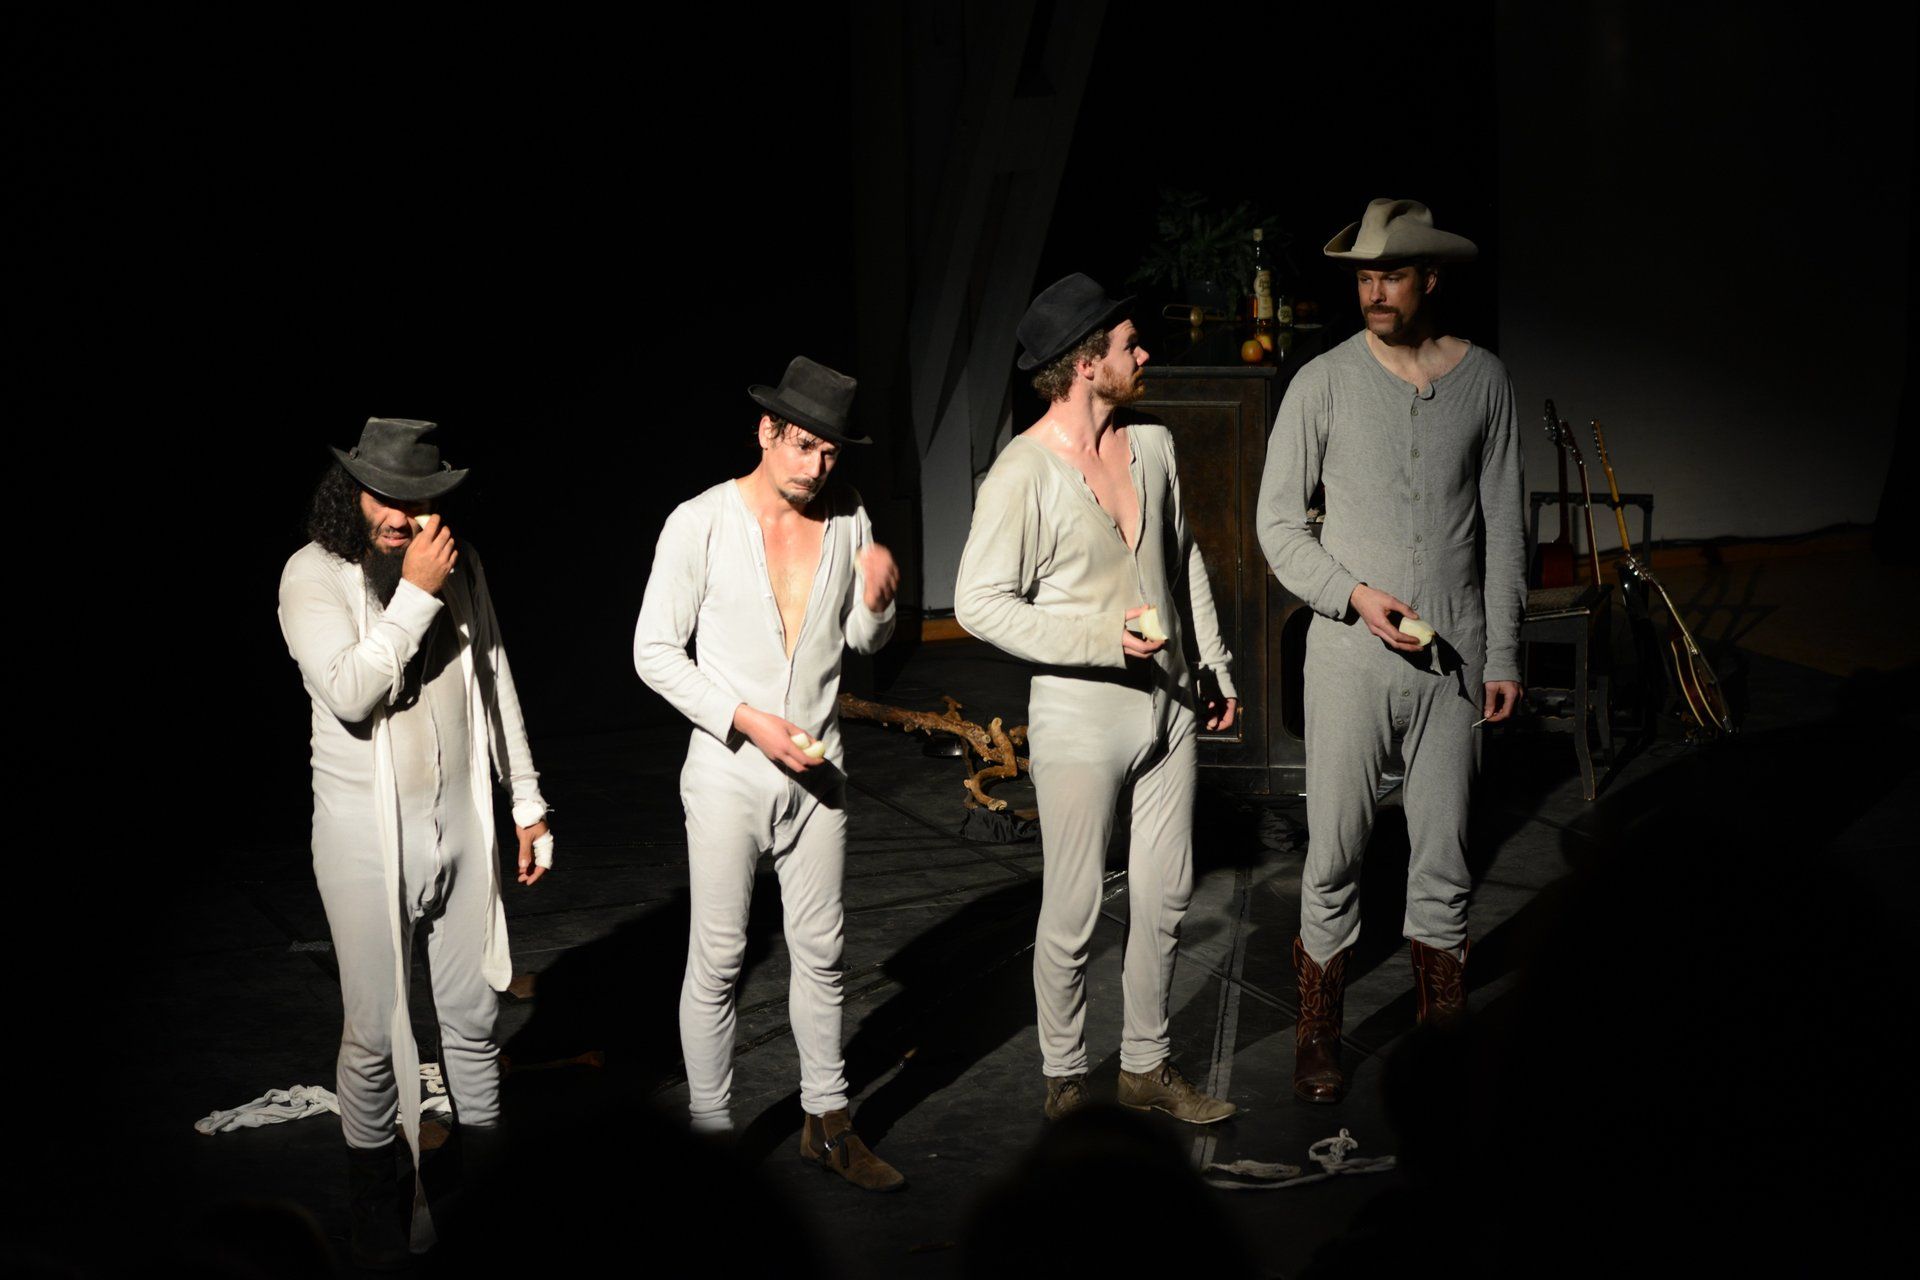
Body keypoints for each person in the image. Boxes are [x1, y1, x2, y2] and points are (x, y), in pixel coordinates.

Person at [1255, 199, 1526, 1103]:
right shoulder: (1322, 382)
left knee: (1444, 855)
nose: (1374, 292)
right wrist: (1353, 595)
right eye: (1365, 277)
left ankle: (1442, 1038)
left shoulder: (1483, 380)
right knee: (1335, 852)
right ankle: (1318, 1035)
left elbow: (1504, 528)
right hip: (1349, 657)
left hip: (1455, 662)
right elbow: (1278, 525)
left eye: (1392, 276)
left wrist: (1503, 653)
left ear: (1430, 279)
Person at [954, 274, 1239, 1125]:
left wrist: (1213, 664)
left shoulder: (1151, 444)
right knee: (1075, 908)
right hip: (1081, 717)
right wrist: (1098, 638)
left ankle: (1147, 1066)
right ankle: (1067, 1080)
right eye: (1128, 345)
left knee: (1168, 895)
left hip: (1170, 705)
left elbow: (1184, 558)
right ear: (1085, 365)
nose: (1144, 354)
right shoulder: (1023, 473)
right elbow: (978, 603)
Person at [277, 418, 553, 1267]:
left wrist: (527, 802)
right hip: (365, 842)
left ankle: (486, 1206)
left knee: (474, 1019)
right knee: (374, 1033)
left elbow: (494, 675)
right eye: (386, 498)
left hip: (460, 823)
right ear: (352, 492)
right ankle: (377, 1223)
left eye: (419, 500)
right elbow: (350, 691)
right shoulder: (311, 574)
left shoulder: (460, 563)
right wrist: (418, 594)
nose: (402, 516)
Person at [634, 356, 906, 1191]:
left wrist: (878, 601)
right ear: (766, 431)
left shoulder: (849, 518)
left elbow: (862, 643)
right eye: (803, 446)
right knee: (719, 959)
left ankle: (828, 1122)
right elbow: (652, 652)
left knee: (823, 951)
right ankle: (711, 1138)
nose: (816, 466)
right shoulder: (700, 522)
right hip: (729, 772)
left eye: (829, 452)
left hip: (819, 774)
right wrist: (748, 721)